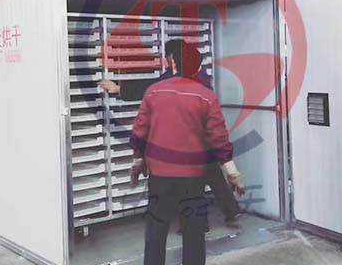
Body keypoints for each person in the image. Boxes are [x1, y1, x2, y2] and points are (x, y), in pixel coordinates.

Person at [129, 41, 245, 265]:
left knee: (156, 229)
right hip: (192, 176)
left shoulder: (154, 92)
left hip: (160, 175)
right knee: (193, 230)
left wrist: (137, 163)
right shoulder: (205, 95)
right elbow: (218, 139)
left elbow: (139, 132)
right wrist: (233, 173)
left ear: (173, 63)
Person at [99, 39, 243, 229]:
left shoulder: (193, 77)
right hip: (200, 140)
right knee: (211, 175)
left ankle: (198, 225)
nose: (167, 61)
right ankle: (229, 212)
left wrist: (119, 88)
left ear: (173, 58)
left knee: (194, 184)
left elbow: (156, 86)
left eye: (168, 57)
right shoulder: (191, 70)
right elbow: (157, 84)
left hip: (194, 142)